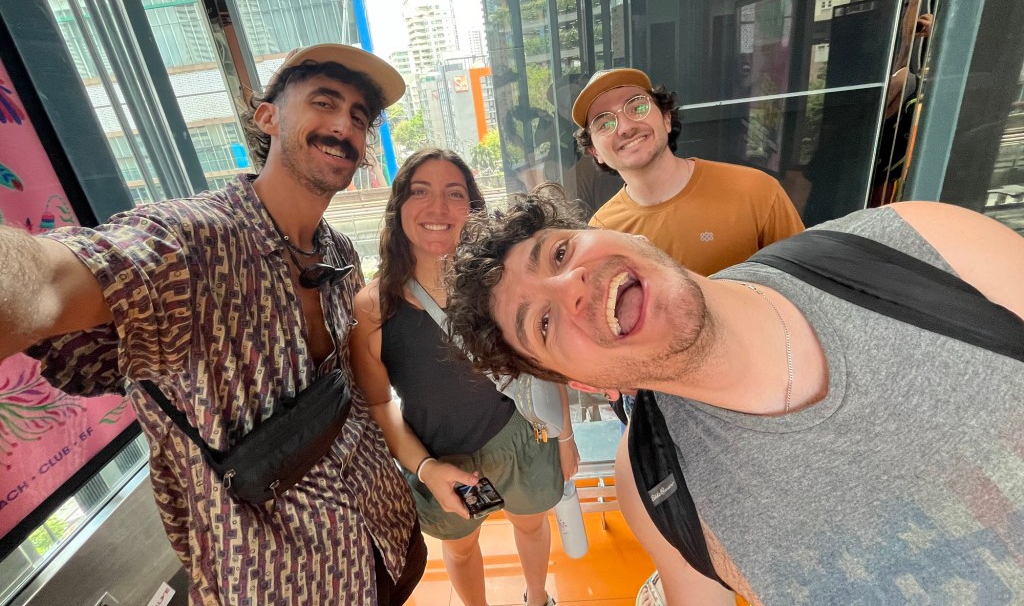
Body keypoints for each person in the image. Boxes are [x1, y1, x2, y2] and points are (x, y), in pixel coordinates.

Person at [444, 190, 1024, 605]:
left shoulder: (913, 243)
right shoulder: (654, 489)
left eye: (560, 253)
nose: (570, 285)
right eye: (543, 324)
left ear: (629, 233)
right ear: (587, 385)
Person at [0, 44, 427, 605]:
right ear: (268, 117)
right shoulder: (190, 242)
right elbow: (50, 281)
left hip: (386, 533)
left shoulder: (339, 253)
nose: (344, 126)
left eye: (359, 116)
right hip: (282, 578)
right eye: (324, 102)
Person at [349, 147, 578, 606]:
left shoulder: (501, 282)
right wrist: (425, 468)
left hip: (519, 437)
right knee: (459, 546)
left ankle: (537, 598)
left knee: (531, 524)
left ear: (472, 208)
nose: (438, 208)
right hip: (438, 454)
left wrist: (565, 436)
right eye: (420, 192)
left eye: (454, 194)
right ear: (399, 207)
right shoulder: (372, 307)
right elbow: (378, 402)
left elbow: (541, 363)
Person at [573, 68, 804, 276]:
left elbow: (806, 288)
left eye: (637, 107)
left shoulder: (756, 191)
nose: (625, 127)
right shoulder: (602, 233)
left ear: (666, 119)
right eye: (604, 123)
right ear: (595, 152)